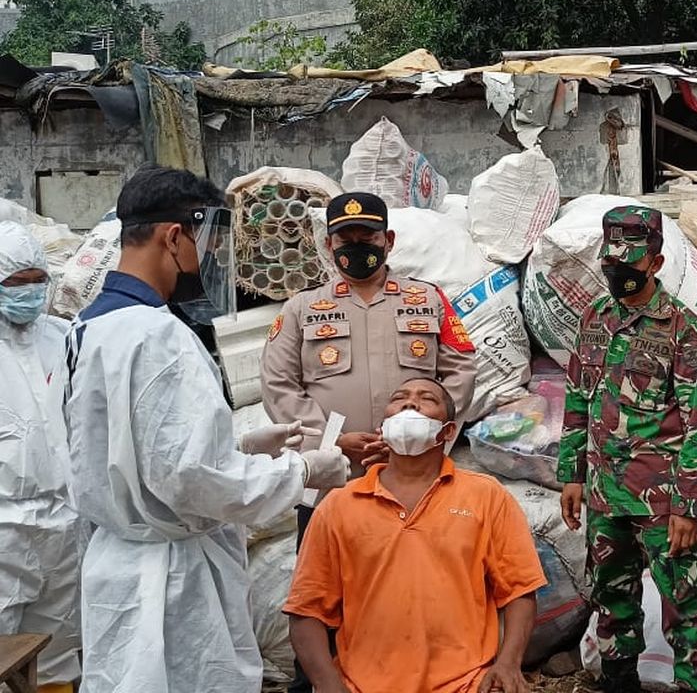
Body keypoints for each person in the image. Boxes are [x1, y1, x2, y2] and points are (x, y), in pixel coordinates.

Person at [58, 166, 351, 693]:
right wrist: (303, 470)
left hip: (117, 561)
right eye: (209, 243)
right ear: (175, 236)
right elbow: (193, 479)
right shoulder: (158, 335)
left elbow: (128, 451)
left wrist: (237, 446)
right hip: (171, 583)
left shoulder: (87, 328)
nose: (211, 258)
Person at [261, 190, 478, 692]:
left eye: (367, 237)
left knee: (410, 585)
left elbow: (461, 369)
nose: (357, 246)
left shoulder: (426, 299)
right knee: (322, 592)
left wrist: (420, 437)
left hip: (412, 479)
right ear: (329, 242)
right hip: (331, 481)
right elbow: (279, 385)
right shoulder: (301, 309)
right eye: (345, 238)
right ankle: (316, 681)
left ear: (388, 240)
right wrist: (334, 444)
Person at [285, 376, 546, 693]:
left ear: (448, 432)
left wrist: (507, 663)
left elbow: (520, 589)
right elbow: (305, 610)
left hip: (466, 684)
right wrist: (328, 684)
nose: (410, 403)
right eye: (400, 398)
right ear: (383, 428)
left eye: (427, 399)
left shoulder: (486, 496)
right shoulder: (338, 505)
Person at [558, 205, 697, 693]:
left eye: (627, 268)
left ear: (654, 262)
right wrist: (572, 474)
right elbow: (576, 399)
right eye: (610, 267)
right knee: (611, 600)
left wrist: (690, 507)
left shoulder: (682, 330)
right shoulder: (595, 318)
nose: (617, 276)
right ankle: (618, 682)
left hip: (663, 501)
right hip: (606, 495)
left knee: (685, 606)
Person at [0, 223, 79, 693]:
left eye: (37, 281)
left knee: (58, 642)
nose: (28, 293)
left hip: (64, 522)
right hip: (5, 527)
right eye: (15, 283)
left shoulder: (64, 337)